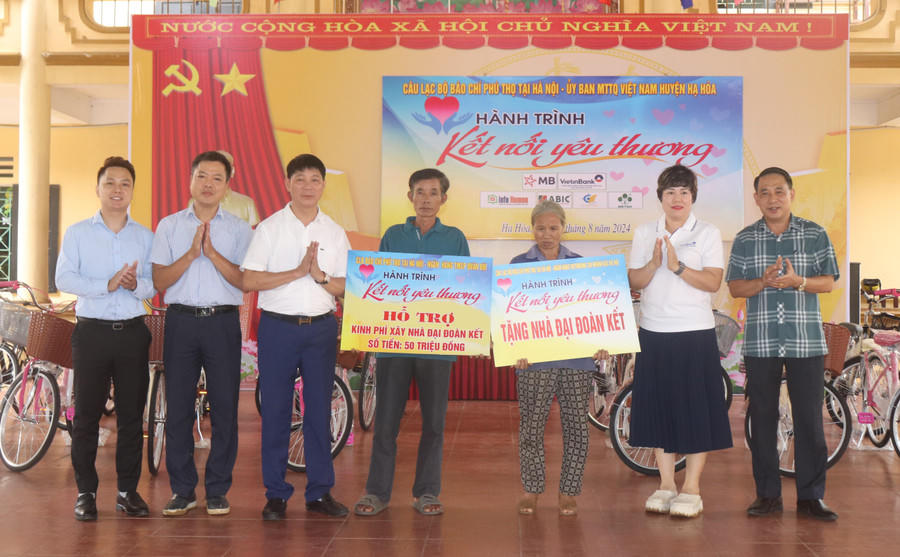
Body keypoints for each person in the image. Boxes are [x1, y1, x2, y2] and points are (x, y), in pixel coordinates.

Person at [726, 167, 840, 521]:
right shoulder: (745, 239)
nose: (772, 198)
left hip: (805, 341)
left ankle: (811, 497)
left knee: (809, 419)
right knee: (762, 418)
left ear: (791, 194)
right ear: (756, 198)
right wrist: (762, 282)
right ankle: (767, 495)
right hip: (761, 343)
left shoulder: (815, 233)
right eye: (765, 192)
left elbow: (829, 282)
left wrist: (798, 281)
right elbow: (735, 287)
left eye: (779, 191)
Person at [354, 168, 469, 517]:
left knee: (434, 424)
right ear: (410, 196)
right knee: (386, 422)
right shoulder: (393, 235)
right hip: (394, 344)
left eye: (433, 193)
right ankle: (377, 493)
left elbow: (466, 289)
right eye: (420, 192)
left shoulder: (455, 239)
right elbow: (377, 287)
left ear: (443, 199)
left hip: (437, 345)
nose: (426, 199)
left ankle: (427, 492)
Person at [242, 154, 351, 520]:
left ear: (323, 185)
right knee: (275, 411)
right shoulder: (269, 228)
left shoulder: (335, 232)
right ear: (287, 183)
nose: (307, 186)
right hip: (278, 328)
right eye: (300, 179)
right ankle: (276, 494)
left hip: (321, 329)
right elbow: (249, 280)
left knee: (318, 411)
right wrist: (296, 271)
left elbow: (347, 287)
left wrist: (320, 277)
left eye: (315, 179)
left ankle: (320, 492)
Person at [627, 164, 732, 518]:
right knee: (659, 409)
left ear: (693, 197)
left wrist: (678, 268)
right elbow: (635, 281)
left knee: (696, 411)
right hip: (653, 332)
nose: (677, 198)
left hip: (694, 333)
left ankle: (692, 488)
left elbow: (713, 282)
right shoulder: (646, 232)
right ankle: (666, 484)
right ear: (660, 197)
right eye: (670, 192)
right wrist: (654, 264)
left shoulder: (707, 232)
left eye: (684, 192)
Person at [151, 150, 252, 517]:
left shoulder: (240, 229)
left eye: (217, 178)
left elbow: (245, 281)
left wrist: (212, 253)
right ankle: (182, 490)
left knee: (225, 408)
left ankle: (218, 489)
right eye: (202, 176)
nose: (208, 184)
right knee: (178, 407)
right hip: (180, 321)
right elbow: (159, 281)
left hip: (222, 323)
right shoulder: (169, 226)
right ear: (190, 180)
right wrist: (192, 254)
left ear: (227, 186)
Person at [56, 156, 155, 521]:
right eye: (110, 183)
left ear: (132, 190)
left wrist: (134, 285)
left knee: (131, 416)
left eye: (125, 183)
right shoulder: (78, 233)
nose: (117, 189)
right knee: (86, 416)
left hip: (132, 333)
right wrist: (107, 284)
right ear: (98, 188)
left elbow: (154, 285)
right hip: (92, 333)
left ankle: (127, 492)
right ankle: (86, 493)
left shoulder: (145, 236)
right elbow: (64, 278)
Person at [510, 200, 608, 516]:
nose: (547, 234)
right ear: (532, 229)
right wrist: (514, 350)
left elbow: (594, 311)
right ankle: (531, 490)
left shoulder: (580, 266)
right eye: (540, 228)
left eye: (553, 228)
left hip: (576, 361)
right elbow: (510, 313)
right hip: (534, 362)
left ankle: (568, 492)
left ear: (563, 228)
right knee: (531, 427)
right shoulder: (518, 265)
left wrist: (602, 343)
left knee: (577, 427)